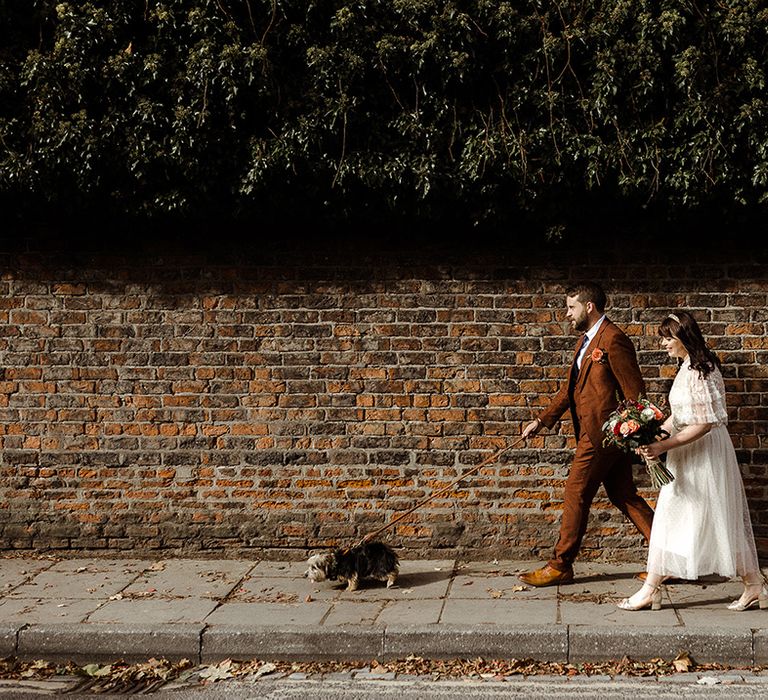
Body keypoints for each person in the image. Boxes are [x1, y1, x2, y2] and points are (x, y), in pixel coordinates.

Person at [618, 311, 766, 611]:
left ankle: (752, 585)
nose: (663, 344)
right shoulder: (686, 367)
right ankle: (755, 585)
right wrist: (654, 434)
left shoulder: (703, 369)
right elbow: (682, 416)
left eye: (667, 338)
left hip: (705, 453)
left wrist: (665, 446)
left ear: (684, 337)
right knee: (678, 517)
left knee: (714, 518)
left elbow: (705, 423)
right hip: (686, 452)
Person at [519, 281, 655, 587]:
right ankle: (671, 560)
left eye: (571, 307)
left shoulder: (614, 339)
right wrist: (541, 421)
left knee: (575, 492)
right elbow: (571, 391)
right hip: (599, 435)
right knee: (625, 496)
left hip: (603, 436)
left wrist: (631, 430)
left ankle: (560, 564)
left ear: (588, 307)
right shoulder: (586, 341)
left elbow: (635, 392)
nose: (567, 314)